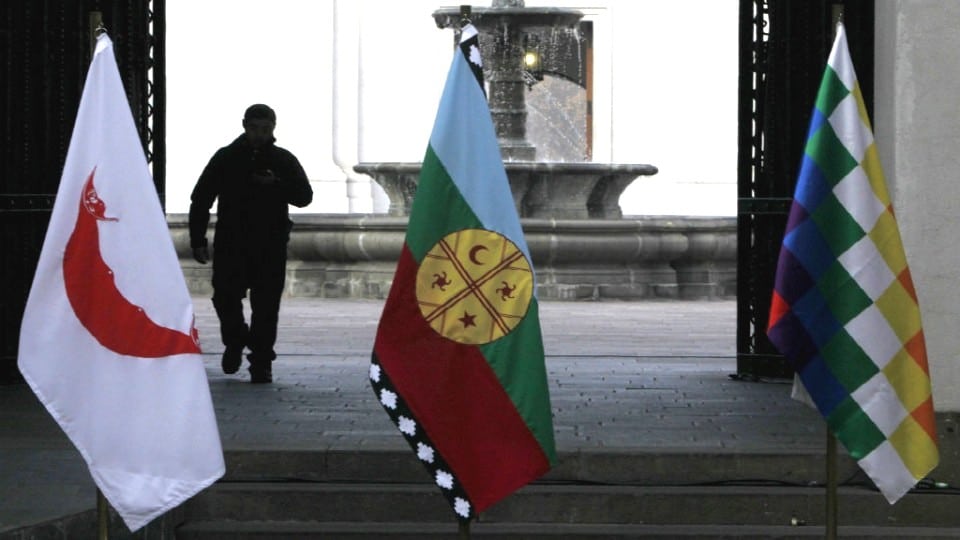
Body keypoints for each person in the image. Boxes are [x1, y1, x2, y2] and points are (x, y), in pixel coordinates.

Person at [189, 104, 313, 383]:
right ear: (245, 125)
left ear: (273, 128)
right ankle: (236, 340)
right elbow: (201, 198)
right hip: (232, 242)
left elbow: (304, 197)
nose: (260, 135)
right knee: (225, 298)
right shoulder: (226, 158)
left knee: (266, 306)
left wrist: (276, 184)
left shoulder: (283, 160)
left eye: (265, 129)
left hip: (269, 244)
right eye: (255, 128)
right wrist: (198, 239)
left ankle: (261, 361)